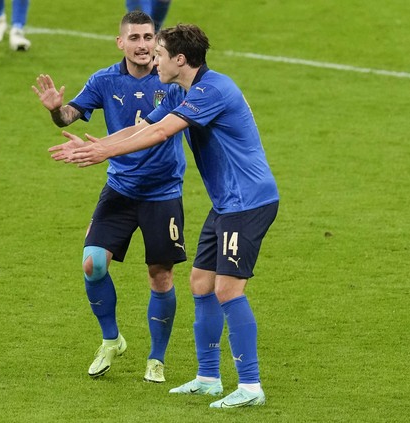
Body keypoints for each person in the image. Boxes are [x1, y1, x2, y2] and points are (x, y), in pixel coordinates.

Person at [50, 23, 279, 409]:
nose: (152, 58)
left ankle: (251, 385)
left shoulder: (212, 90)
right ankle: (208, 377)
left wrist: (104, 154)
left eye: (158, 53)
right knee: (201, 283)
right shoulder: (182, 89)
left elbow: (161, 134)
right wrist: (94, 145)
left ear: (180, 59)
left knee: (226, 289)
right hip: (226, 203)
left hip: (248, 203)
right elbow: (144, 127)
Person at [32, 11, 187, 383]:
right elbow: (70, 116)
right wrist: (55, 109)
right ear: (121, 43)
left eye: (149, 38)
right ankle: (111, 339)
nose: (142, 45)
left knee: (160, 275)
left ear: (157, 42)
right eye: (134, 38)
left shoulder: (172, 81)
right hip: (119, 188)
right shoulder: (104, 80)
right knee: (92, 264)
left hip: (163, 191)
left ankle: (157, 358)